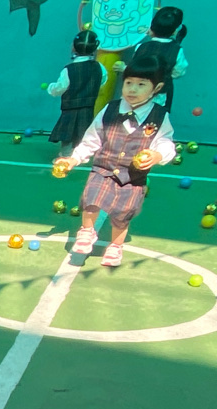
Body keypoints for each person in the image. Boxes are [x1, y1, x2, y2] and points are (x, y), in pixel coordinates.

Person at [54, 54, 176, 267]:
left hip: (132, 178)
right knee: (91, 199)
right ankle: (87, 231)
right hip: (103, 169)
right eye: (128, 83)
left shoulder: (159, 116)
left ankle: (115, 246)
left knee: (122, 215)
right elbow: (92, 139)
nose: (132, 89)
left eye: (141, 84)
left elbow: (165, 143)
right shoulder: (110, 109)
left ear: (156, 88)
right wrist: (74, 159)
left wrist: (157, 155)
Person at [115, 6, 187, 113]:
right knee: (156, 118)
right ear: (175, 31)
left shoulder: (141, 47)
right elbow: (179, 72)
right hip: (160, 96)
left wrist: (124, 68)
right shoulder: (176, 50)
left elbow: (135, 69)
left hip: (136, 92)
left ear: (151, 28)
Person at [47, 30, 107, 157]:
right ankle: (79, 154)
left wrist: (51, 88)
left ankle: (65, 156)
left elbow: (60, 88)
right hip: (88, 107)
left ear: (73, 47)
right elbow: (102, 81)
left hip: (70, 108)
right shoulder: (99, 67)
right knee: (83, 131)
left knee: (67, 133)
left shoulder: (69, 69)